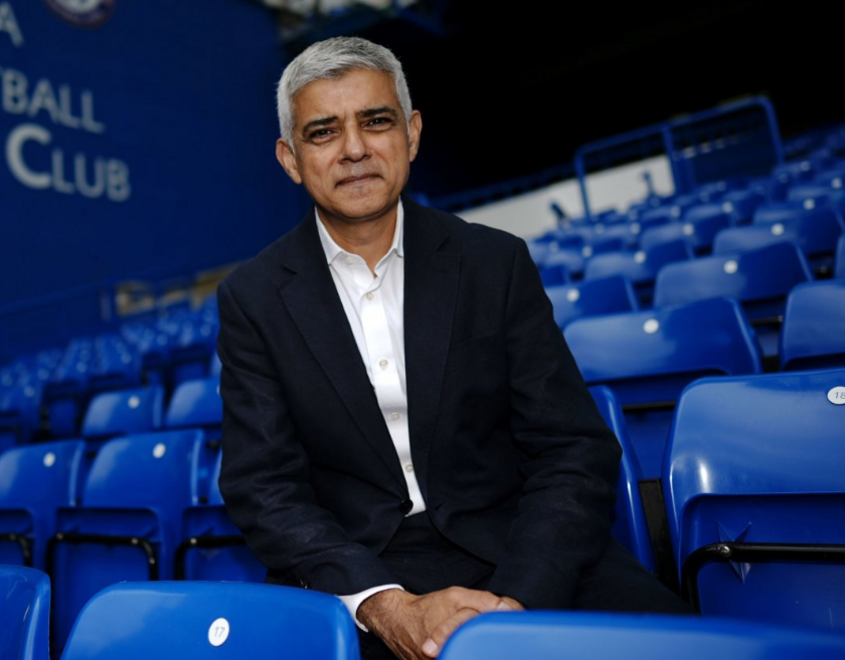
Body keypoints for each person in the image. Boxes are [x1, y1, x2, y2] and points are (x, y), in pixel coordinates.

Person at [215, 37, 689, 660]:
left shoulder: (495, 262)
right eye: (324, 132)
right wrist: (384, 605)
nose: (354, 149)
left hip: (520, 549)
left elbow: (572, 449)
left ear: (411, 134)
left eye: (375, 121)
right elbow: (264, 487)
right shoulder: (252, 297)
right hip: (361, 575)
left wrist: (519, 603)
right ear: (290, 158)